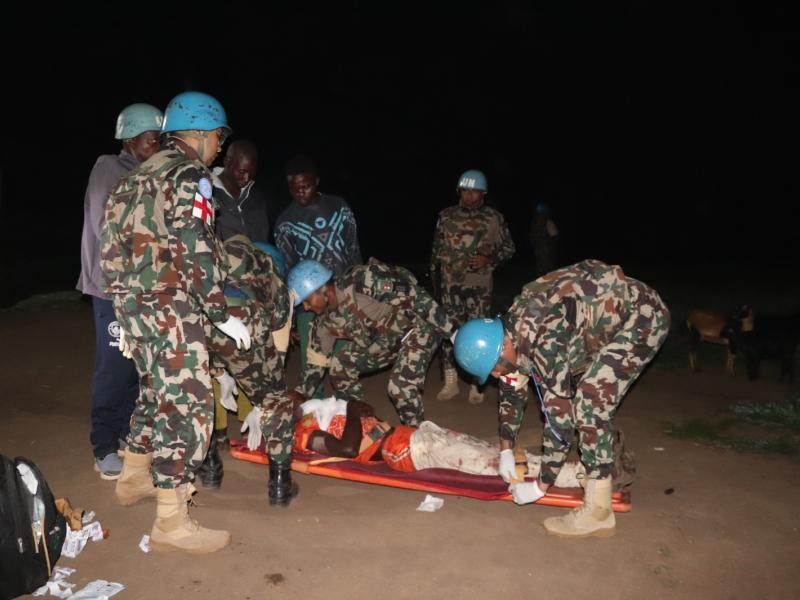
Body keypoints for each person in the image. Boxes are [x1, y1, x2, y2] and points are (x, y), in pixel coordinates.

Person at [100, 91, 251, 554]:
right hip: (170, 307)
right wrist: (221, 314)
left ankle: (132, 480)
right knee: (189, 404)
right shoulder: (190, 175)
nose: (220, 149)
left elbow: (109, 248)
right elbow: (196, 249)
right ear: (203, 134)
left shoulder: (135, 177)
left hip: (132, 306)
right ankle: (171, 519)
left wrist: (125, 312)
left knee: (154, 391)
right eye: (218, 139)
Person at [453, 259, 669, 537]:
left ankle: (598, 513)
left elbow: (559, 423)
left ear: (503, 345)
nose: (495, 376)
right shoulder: (509, 333)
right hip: (599, 326)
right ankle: (602, 458)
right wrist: (506, 447)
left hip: (643, 318)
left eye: (494, 367)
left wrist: (540, 486)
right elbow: (511, 384)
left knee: (589, 401)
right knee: (580, 393)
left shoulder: (544, 340)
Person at [77, 103, 163, 480]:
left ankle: (128, 435)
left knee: (134, 368)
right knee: (112, 368)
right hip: (111, 287)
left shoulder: (145, 172)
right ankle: (104, 446)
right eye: (151, 138)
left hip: (139, 290)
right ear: (130, 139)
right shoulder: (107, 169)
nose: (157, 144)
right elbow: (104, 226)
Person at [287, 258, 455, 427]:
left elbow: (419, 299)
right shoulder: (324, 323)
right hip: (387, 341)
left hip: (418, 329)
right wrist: (299, 394)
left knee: (399, 386)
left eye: (307, 301)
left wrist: (453, 332)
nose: (306, 308)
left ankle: (416, 434)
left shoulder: (362, 281)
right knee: (339, 366)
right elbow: (315, 366)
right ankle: (359, 422)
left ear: (320, 290)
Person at [287, 395, 585, 487]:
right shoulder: (305, 434)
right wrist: (352, 409)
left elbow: (365, 416)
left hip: (416, 434)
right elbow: (349, 449)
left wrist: (357, 408)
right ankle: (578, 476)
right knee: (493, 465)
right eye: (284, 400)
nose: (292, 395)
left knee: (497, 453)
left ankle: (574, 469)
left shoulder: (318, 409)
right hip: (408, 450)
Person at [198, 235, 299, 506]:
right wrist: (264, 394)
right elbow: (278, 319)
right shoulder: (266, 266)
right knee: (276, 400)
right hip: (241, 322)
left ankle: (209, 469)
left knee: (199, 393)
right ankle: (280, 485)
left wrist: (220, 373)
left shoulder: (209, 251)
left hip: (199, 321)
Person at [274, 155, 362, 395]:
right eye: (295, 188)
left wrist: (360, 286)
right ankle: (315, 415)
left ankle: (349, 409)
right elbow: (288, 270)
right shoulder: (284, 223)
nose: (301, 192)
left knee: (344, 360)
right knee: (312, 361)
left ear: (318, 181)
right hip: (309, 305)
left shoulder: (340, 207)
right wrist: (291, 313)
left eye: (307, 186)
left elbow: (354, 249)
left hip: (343, 297)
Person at [431, 169, 515, 404]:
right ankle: (450, 381)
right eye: (465, 191)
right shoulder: (446, 216)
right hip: (450, 286)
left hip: (479, 288)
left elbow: (509, 248)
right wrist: (436, 283)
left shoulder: (494, 218)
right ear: (459, 191)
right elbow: (436, 252)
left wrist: (491, 260)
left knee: (479, 336)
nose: (469, 196)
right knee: (449, 332)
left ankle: (476, 383)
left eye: (474, 191)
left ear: (483, 193)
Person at [212, 140, 271, 243]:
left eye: (251, 173)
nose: (247, 178)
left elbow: (262, 242)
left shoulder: (256, 198)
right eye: (242, 171)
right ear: (227, 162)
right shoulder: (208, 191)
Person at [529, 201, 560, 276]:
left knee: (540, 270)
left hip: (537, 249)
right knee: (549, 271)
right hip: (547, 251)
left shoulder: (534, 223)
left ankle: (540, 285)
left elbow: (532, 236)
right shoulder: (548, 222)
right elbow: (554, 234)